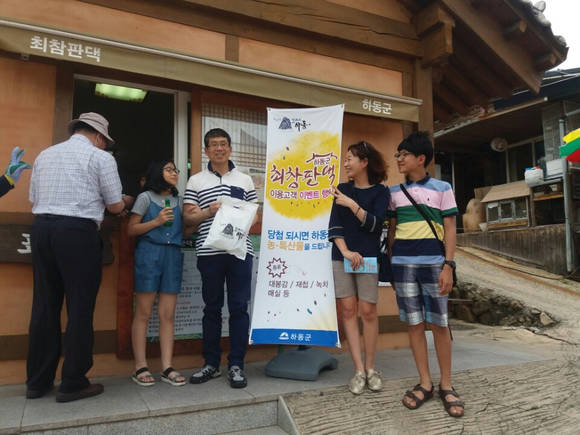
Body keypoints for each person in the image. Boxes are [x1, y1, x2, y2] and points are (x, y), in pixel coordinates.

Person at [27, 112, 130, 402]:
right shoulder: (101, 158)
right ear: (98, 137)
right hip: (77, 232)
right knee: (80, 307)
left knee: (44, 305)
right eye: (105, 141)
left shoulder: (45, 155)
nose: (105, 145)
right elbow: (114, 205)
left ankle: (37, 382)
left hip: (42, 229)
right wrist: (127, 201)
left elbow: (34, 198)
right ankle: (73, 382)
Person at [387, 131, 464, 418]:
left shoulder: (443, 188)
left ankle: (446, 384)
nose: (399, 159)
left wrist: (448, 265)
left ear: (421, 158)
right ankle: (425, 383)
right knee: (414, 324)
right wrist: (391, 264)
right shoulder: (393, 193)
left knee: (440, 324)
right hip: (403, 266)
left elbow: (451, 229)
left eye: (404, 154)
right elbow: (392, 231)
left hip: (434, 264)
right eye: (397, 155)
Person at [183, 128, 258, 388]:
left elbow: (255, 216)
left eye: (223, 144)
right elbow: (188, 217)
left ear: (230, 148)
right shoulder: (196, 181)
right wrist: (208, 211)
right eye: (214, 145)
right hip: (209, 253)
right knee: (211, 308)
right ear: (206, 150)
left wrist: (238, 218)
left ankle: (236, 364)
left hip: (240, 252)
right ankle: (211, 364)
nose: (219, 148)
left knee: (239, 308)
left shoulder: (245, 180)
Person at [328, 141, 389, 395]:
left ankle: (372, 368)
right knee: (348, 310)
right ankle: (359, 370)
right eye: (345, 159)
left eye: (349, 158)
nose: (345, 163)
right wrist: (345, 252)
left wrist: (352, 205)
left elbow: (375, 225)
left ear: (364, 162)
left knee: (368, 311)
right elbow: (334, 226)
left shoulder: (381, 192)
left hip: (368, 258)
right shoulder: (340, 189)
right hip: (342, 256)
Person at [128, 160, 186, 387]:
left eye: (175, 170)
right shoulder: (145, 198)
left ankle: (167, 366)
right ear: (157, 173)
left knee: (167, 314)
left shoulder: (180, 201)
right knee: (143, 312)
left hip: (173, 255)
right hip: (149, 253)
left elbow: (186, 227)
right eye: (169, 169)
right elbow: (131, 229)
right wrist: (156, 221)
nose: (174, 173)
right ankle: (140, 366)